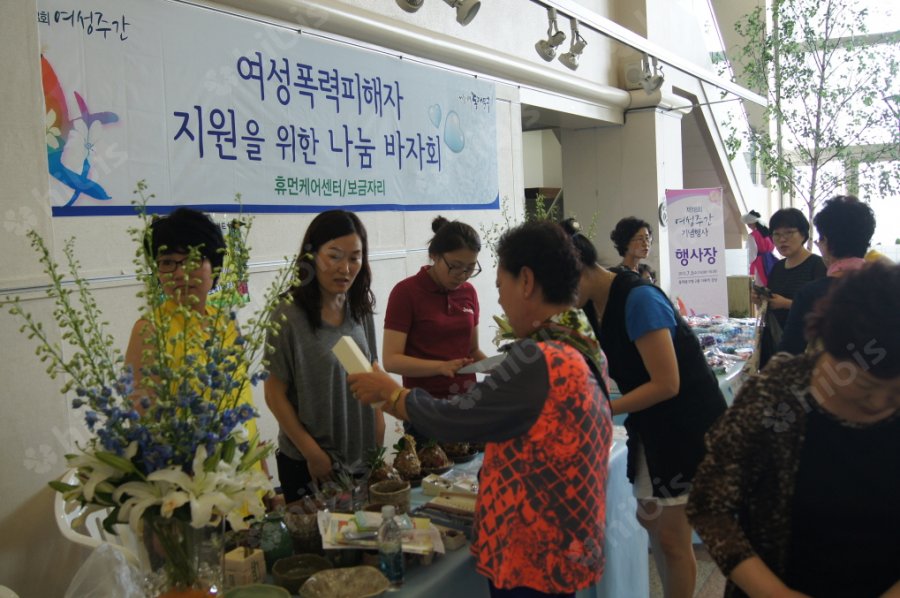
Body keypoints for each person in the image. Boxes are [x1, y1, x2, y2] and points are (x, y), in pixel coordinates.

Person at [349, 221, 613, 598]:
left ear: (526, 281)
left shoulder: (539, 356)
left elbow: (457, 420)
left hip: (533, 549)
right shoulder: (581, 338)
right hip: (566, 536)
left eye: (501, 287)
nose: (501, 301)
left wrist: (393, 397)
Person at [687, 263, 900, 598]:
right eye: (867, 387)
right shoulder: (776, 393)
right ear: (831, 344)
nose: (883, 403)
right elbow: (708, 504)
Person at [563, 217, 727, 598]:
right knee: (650, 521)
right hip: (654, 425)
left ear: (578, 270)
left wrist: (606, 407)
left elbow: (668, 383)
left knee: (671, 538)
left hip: (686, 426)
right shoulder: (594, 304)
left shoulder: (638, 298)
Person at [264, 210, 385, 503]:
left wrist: (379, 422)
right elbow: (274, 394)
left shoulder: (359, 308)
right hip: (310, 464)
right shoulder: (287, 314)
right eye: (334, 255)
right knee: (316, 545)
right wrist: (312, 453)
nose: (345, 268)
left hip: (360, 458)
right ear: (312, 257)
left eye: (355, 257)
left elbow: (371, 369)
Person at [125, 207, 261, 442]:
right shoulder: (149, 330)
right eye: (168, 262)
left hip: (245, 468)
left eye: (193, 260)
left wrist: (258, 456)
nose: (180, 273)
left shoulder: (226, 322)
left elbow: (242, 399)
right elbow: (145, 423)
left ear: (215, 267)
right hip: (190, 472)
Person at [382, 217, 487, 421]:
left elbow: (472, 351)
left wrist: (496, 366)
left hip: (468, 403)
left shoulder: (468, 292)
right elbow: (391, 360)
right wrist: (440, 367)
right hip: (424, 407)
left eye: (470, 268)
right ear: (434, 256)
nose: (462, 275)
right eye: (455, 266)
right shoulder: (406, 292)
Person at [779, 196, 875, 356]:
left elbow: (788, 352)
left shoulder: (812, 294)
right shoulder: (889, 286)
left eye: (820, 239)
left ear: (827, 242)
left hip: (832, 379)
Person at [754, 208, 826, 369]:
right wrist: (762, 300)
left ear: (803, 235)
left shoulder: (818, 265)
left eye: (789, 233)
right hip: (778, 344)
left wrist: (786, 303)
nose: (782, 240)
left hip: (807, 348)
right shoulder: (777, 268)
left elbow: (823, 311)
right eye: (777, 235)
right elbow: (773, 302)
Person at [741, 210, 776, 287]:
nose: (748, 225)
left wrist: (747, 263)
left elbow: (752, 254)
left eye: (748, 223)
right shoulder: (767, 232)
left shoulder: (752, 235)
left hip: (759, 261)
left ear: (752, 223)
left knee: (758, 284)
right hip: (770, 259)